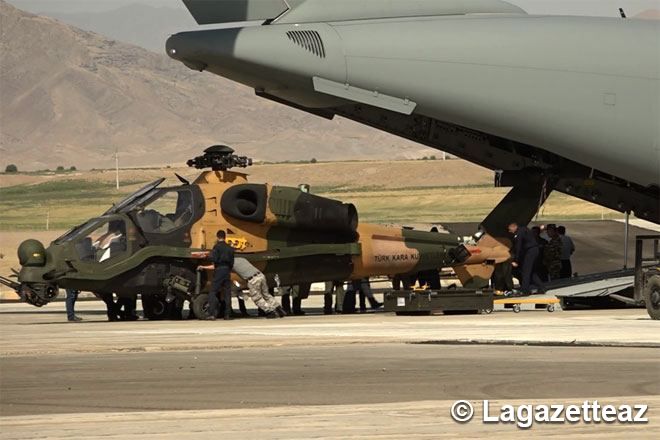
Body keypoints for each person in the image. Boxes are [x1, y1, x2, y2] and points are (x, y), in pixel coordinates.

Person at [197, 230, 235, 320]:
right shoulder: (230, 248)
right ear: (225, 237)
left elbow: (214, 258)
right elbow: (232, 262)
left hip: (219, 270)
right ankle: (227, 314)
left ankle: (212, 313)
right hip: (227, 271)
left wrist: (206, 256)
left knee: (213, 292)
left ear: (217, 237)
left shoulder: (217, 247)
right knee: (227, 293)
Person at [508, 222, 545, 295]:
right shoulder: (524, 229)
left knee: (525, 271)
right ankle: (542, 286)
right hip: (534, 250)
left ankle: (525, 290)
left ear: (514, 227)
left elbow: (518, 246)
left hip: (530, 252)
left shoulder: (519, 232)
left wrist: (516, 260)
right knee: (531, 271)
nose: (509, 231)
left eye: (510, 230)